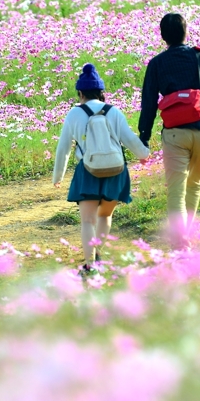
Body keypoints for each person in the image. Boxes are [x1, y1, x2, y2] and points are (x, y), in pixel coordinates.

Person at [139, 13, 200, 247]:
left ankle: (181, 244)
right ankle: (187, 236)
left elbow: (148, 103)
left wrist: (144, 138)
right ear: (185, 32)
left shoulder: (157, 63)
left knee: (176, 191)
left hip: (175, 134)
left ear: (162, 36)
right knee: (194, 185)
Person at [54, 63, 149, 273]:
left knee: (87, 221)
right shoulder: (114, 112)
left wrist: (57, 176)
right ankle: (98, 254)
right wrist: (143, 155)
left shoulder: (74, 114)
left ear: (80, 92)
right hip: (116, 170)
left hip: (88, 170)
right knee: (105, 216)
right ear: (101, 92)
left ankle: (89, 265)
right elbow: (129, 139)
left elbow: (63, 149)